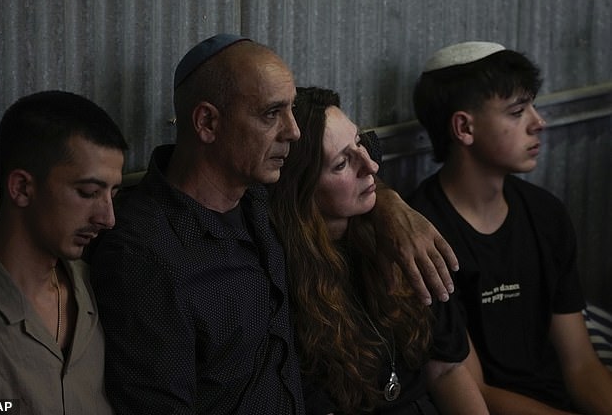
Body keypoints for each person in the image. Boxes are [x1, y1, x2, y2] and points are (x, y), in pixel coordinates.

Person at [88, 33, 460, 414]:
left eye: (291, 110)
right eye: (271, 114)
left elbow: (354, 162)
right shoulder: (145, 255)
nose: (293, 131)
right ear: (207, 122)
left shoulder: (257, 196)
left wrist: (391, 207)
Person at [408, 41, 612, 414]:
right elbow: (475, 392)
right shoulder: (425, 236)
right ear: (464, 127)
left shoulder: (545, 214)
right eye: (517, 112)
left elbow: (581, 367)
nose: (538, 122)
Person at [269, 86, 488, 414]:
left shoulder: (396, 238)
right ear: (302, 188)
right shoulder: (281, 281)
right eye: (343, 163)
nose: (370, 165)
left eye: (360, 143)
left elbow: (447, 370)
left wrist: (390, 201)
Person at [0, 90, 127, 414]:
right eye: (88, 192)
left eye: (113, 194)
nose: (107, 218)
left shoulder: (100, 287)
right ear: (21, 188)